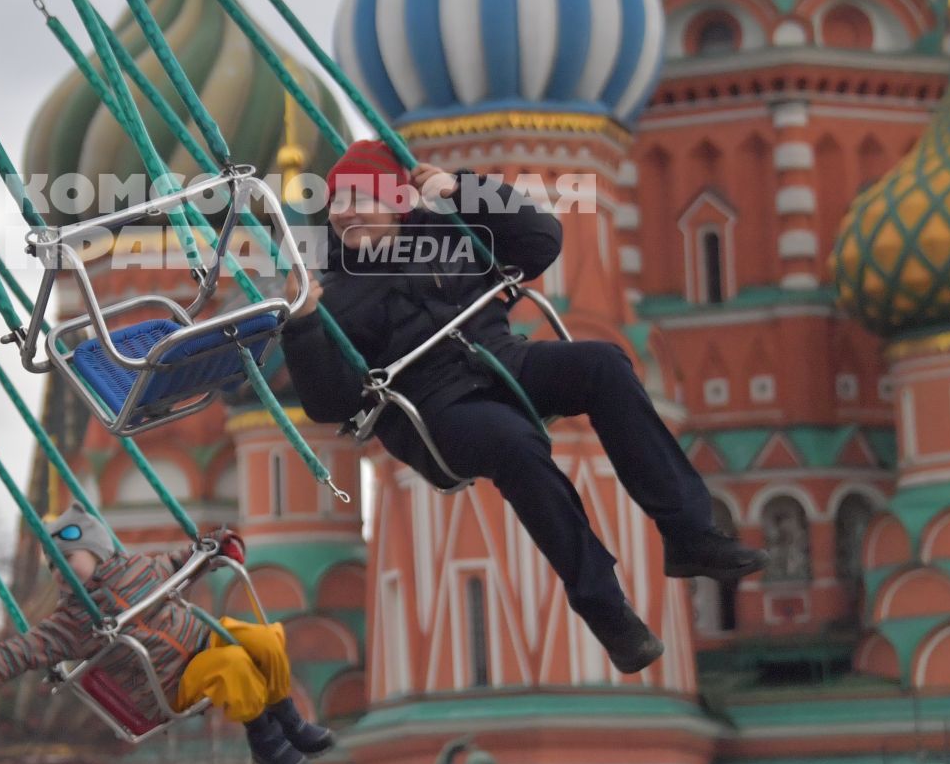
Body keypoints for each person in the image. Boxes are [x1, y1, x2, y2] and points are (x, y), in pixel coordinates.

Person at [281, 139, 765, 673]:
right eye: (337, 201)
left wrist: (462, 189)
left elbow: (540, 242)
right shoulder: (333, 292)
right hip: (434, 409)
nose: (346, 211)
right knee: (515, 443)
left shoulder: (453, 236)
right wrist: (302, 326)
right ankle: (605, 609)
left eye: (361, 196)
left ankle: (689, 533)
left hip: (501, 361)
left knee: (604, 364)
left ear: (399, 201)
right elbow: (328, 403)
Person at [0, 505, 334, 764]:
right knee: (235, 667)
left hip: (203, 638)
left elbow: (178, 566)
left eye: (68, 560)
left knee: (263, 639)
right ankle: (264, 739)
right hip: (171, 683)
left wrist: (212, 548)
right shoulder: (70, 623)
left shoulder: (138, 569)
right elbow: (15, 654)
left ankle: (289, 718)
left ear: (95, 551)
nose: (60, 572)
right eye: (54, 568)